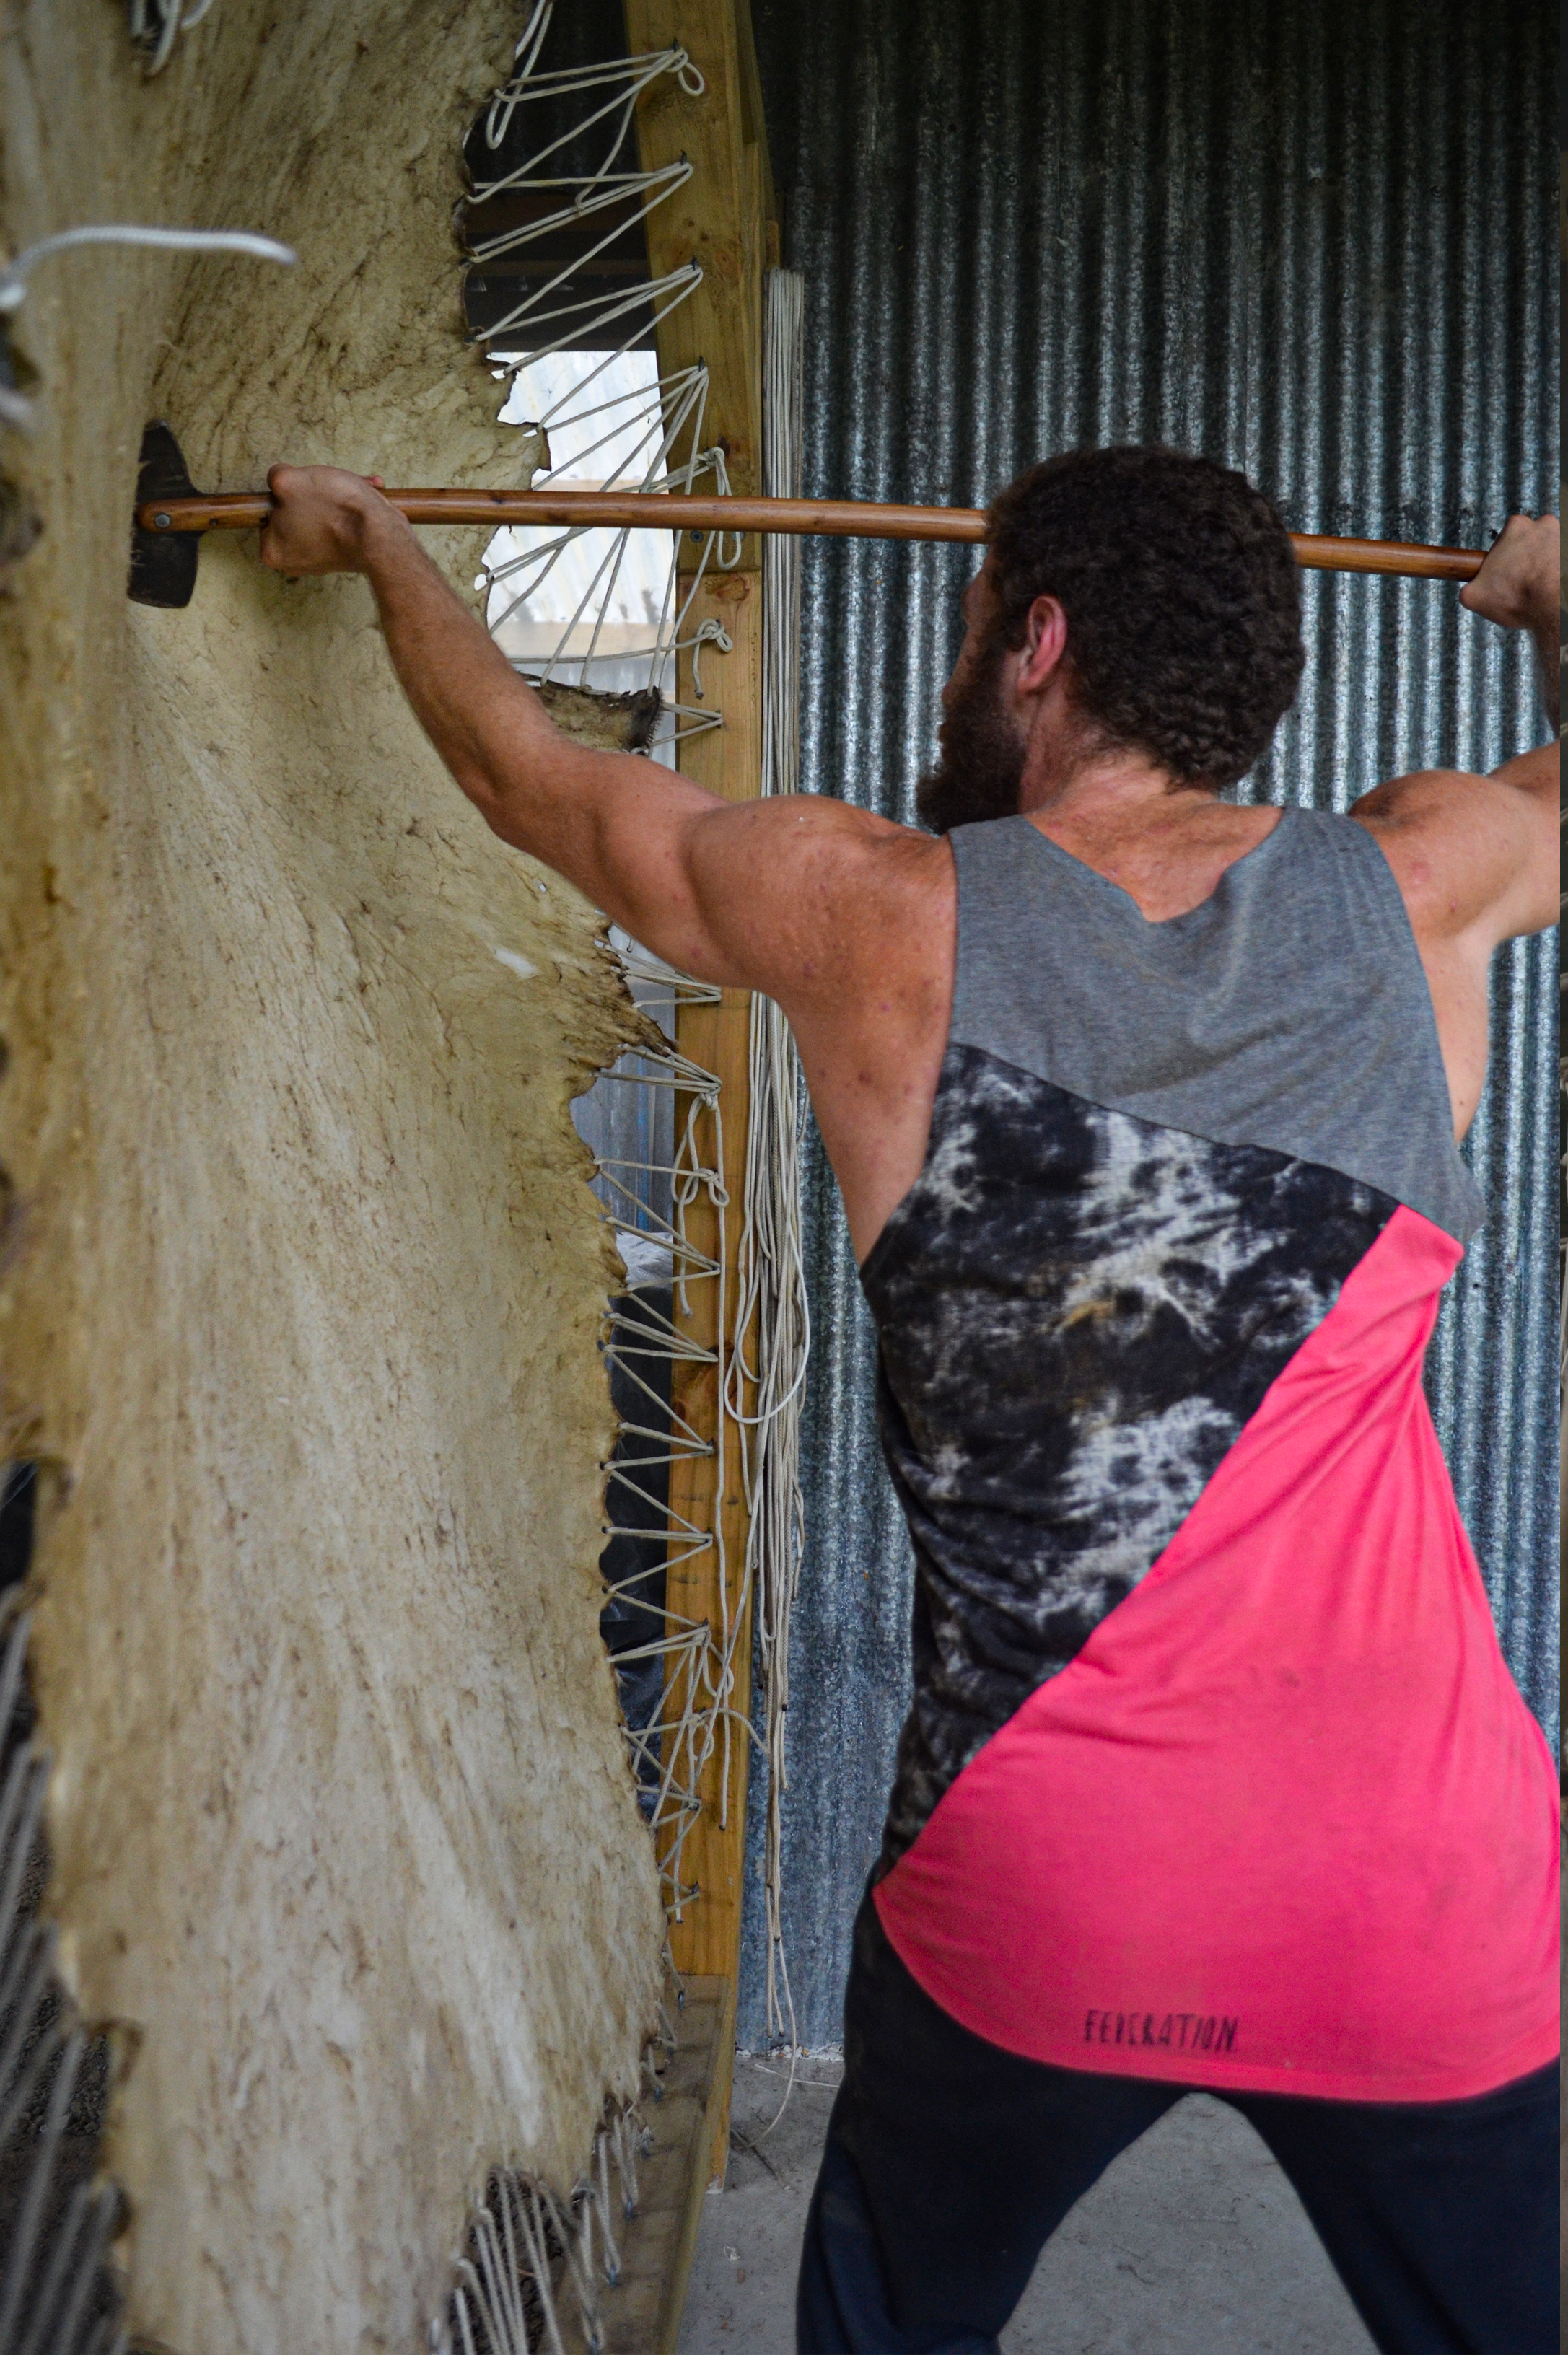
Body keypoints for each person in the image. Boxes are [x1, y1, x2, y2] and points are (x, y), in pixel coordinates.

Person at [259, 447, 1560, 2355]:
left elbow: (523, 783)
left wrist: (375, 545)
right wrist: (1553, 605)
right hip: (1410, 1877)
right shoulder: (1430, 877)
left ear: (1036, 641)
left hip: (1045, 1883)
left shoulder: (865, 915)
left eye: (978, 626)